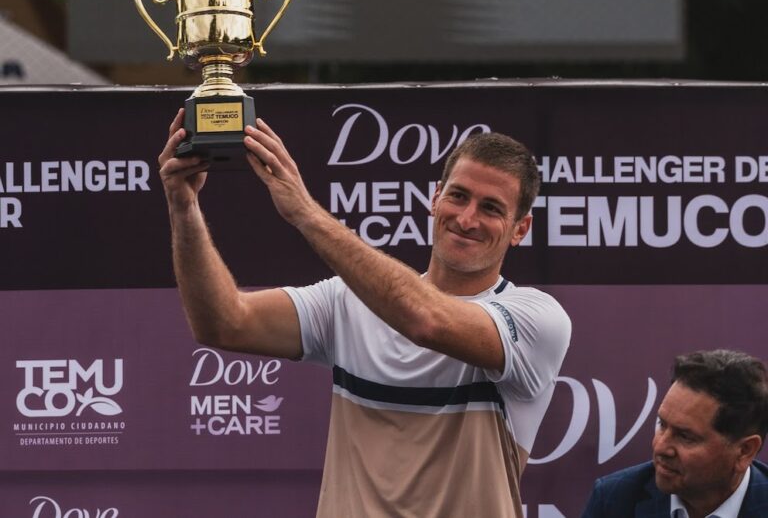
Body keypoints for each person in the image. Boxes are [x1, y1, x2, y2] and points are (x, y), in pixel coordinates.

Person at [158, 109, 571, 518]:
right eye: (458, 196)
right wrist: (183, 206)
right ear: (435, 198)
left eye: (491, 208)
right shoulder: (349, 300)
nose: (466, 219)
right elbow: (223, 322)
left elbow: (426, 321)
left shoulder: (536, 318)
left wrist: (306, 212)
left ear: (520, 228)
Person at [581, 349, 768, 518]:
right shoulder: (615, 499)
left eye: (685, 436)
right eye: (662, 424)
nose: (661, 447)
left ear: (745, 450)